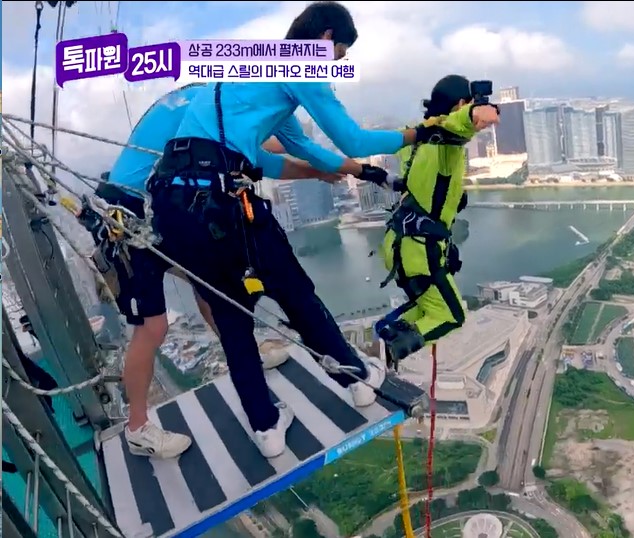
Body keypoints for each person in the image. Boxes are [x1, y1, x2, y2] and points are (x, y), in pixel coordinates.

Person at [146, 1, 499, 459]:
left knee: (232, 320)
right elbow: (352, 139)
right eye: (340, 54)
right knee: (298, 297)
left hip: (174, 204)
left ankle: (266, 428)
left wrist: (364, 173)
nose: (336, 65)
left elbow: (305, 150)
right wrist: (421, 132)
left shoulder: (252, 72)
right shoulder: (300, 64)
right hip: (223, 202)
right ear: (326, 37)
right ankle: (359, 380)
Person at [85, 82, 388, 460]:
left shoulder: (206, 102)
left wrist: (314, 167)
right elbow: (266, 156)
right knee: (154, 327)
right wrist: (320, 163)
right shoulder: (213, 108)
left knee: (213, 289)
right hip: (131, 217)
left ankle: (248, 358)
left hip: (169, 208)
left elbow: (256, 155)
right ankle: (138, 428)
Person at [374, 75, 499, 364]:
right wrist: (480, 110)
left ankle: (385, 334)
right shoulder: (446, 138)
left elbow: (423, 183)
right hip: (419, 249)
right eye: (467, 103)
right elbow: (459, 123)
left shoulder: (416, 136)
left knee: (427, 308)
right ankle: (385, 349)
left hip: (401, 243)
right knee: (452, 315)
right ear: (460, 103)